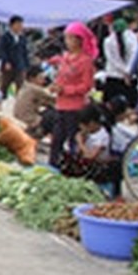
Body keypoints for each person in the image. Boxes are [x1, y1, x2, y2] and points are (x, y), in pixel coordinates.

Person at [49, 21, 98, 167]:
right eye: (66, 38)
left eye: (70, 38)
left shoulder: (85, 61)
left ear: (79, 40)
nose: (67, 42)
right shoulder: (64, 58)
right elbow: (60, 78)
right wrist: (56, 87)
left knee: (73, 139)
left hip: (75, 107)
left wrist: (66, 90)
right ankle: (53, 166)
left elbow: (86, 86)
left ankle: (73, 167)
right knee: (56, 139)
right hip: (60, 105)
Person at [102, 17, 138, 108]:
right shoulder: (133, 37)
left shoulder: (108, 41)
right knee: (130, 107)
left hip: (113, 76)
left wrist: (124, 71)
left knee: (111, 107)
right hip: (129, 78)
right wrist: (128, 72)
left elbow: (112, 60)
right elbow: (135, 56)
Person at [13, 66, 57, 138]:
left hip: (19, 117)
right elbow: (53, 100)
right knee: (55, 116)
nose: (44, 81)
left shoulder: (25, 86)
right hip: (29, 119)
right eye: (40, 78)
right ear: (32, 78)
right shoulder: (35, 89)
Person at [0, 15, 28, 97]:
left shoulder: (22, 37)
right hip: (9, 64)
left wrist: (26, 64)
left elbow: (24, 51)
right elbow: (2, 50)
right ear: (12, 25)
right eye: (18, 24)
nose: (20, 27)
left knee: (20, 83)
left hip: (20, 64)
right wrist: (6, 61)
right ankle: (1, 100)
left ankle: (18, 101)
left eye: (21, 25)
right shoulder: (5, 37)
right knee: (5, 84)